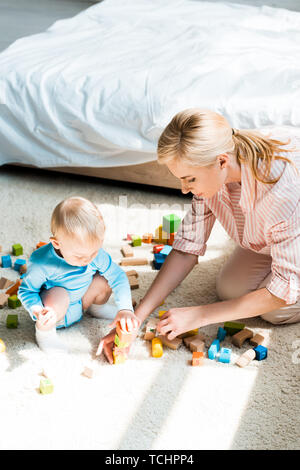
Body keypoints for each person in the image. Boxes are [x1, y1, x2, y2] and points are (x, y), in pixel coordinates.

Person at [97, 108, 300, 364]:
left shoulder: (284, 191)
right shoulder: (214, 166)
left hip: (293, 213)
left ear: (222, 162)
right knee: (230, 289)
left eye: (190, 179)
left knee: (276, 310)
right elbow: (185, 249)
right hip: (277, 233)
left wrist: (199, 315)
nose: (184, 190)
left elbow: (282, 292)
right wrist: (136, 318)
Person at [18, 196, 138, 353]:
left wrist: (125, 308)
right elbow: (26, 291)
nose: (87, 260)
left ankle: (97, 309)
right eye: (79, 256)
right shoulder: (42, 262)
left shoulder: (94, 255)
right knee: (59, 294)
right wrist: (37, 311)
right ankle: (45, 334)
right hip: (55, 314)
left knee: (103, 279)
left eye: (93, 252)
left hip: (82, 302)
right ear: (56, 244)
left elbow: (118, 277)